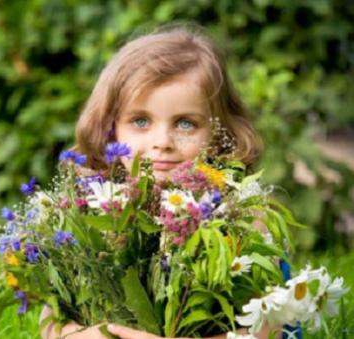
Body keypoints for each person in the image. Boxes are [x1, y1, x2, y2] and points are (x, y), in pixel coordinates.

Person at [40, 25, 274, 339]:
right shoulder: (89, 211)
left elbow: (266, 327)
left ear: (219, 135)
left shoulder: (240, 215)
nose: (162, 141)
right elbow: (49, 324)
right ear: (110, 129)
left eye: (186, 123)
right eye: (140, 121)